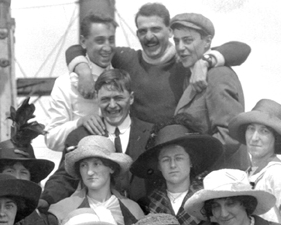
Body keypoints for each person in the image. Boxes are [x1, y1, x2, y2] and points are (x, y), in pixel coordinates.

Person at [66, 3, 250, 128]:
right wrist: (83, 71)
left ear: (169, 31)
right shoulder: (127, 59)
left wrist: (205, 61)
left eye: (155, 29)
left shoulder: (186, 59)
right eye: (142, 31)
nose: (149, 36)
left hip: (178, 149)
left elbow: (241, 49)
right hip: (142, 153)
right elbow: (78, 48)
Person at [41, 69, 155, 207]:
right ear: (97, 99)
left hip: (145, 216)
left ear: (131, 98)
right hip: (98, 217)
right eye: (105, 99)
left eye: (118, 98)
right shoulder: (81, 135)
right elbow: (65, 178)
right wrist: (45, 200)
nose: (112, 105)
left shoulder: (150, 133)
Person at [130, 119, 223, 225]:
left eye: (179, 158)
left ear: (191, 162)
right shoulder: (147, 205)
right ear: (159, 166)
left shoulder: (209, 200)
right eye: (166, 160)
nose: (172, 165)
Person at [171, 13, 248, 171]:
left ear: (207, 42)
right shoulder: (190, 74)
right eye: (176, 41)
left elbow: (230, 136)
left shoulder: (218, 75)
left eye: (187, 40)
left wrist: (188, 159)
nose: (180, 47)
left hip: (223, 178)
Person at [43, 12, 117, 152]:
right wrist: (79, 123)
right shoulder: (65, 83)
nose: (107, 47)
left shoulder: (123, 75)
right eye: (100, 41)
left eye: (111, 40)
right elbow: (50, 138)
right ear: (83, 42)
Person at [47, 134, 144, 225]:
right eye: (84, 165)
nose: (89, 172)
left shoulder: (133, 209)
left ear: (111, 168)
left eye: (96, 164)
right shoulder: (61, 211)